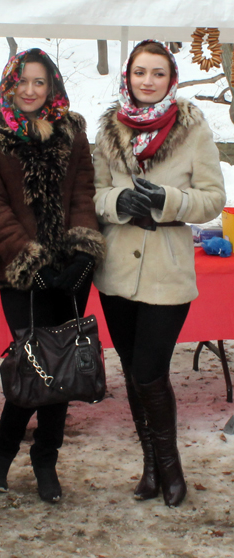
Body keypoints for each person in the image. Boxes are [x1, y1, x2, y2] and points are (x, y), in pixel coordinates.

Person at [0, 48, 105, 503]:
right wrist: (28, 257)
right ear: (8, 81)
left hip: (67, 272)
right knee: (32, 363)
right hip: (20, 273)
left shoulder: (70, 130)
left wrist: (83, 249)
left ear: (52, 87)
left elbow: (83, 190)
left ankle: (46, 459)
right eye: (22, 80)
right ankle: (2, 454)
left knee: (61, 369)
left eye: (39, 82)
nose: (29, 89)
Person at [92, 40, 226, 507]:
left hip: (167, 273)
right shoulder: (110, 130)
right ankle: (150, 466)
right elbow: (94, 193)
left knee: (151, 370)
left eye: (158, 73)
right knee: (131, 371)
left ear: (172, 78)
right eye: (139, 73)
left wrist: (167, 202)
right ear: (127, 77)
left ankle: (171, 469)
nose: (147, 81)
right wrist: (118, 202)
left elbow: (211, 198)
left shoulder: (192, 130)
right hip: (116, 274)